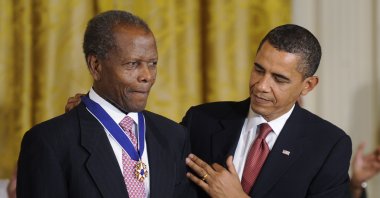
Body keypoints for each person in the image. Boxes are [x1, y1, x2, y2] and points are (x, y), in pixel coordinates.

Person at [17, 10, 195, 198]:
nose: (147, 76)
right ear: (96, 66)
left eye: (152, 63)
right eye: (133, 64)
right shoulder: (49, 142)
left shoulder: (174, 137)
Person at [182, 24, 352, 198]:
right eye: (258, 70)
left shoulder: (328, 146)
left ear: (307, 85)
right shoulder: (202, 120)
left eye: (279, 79)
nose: (261, 86)